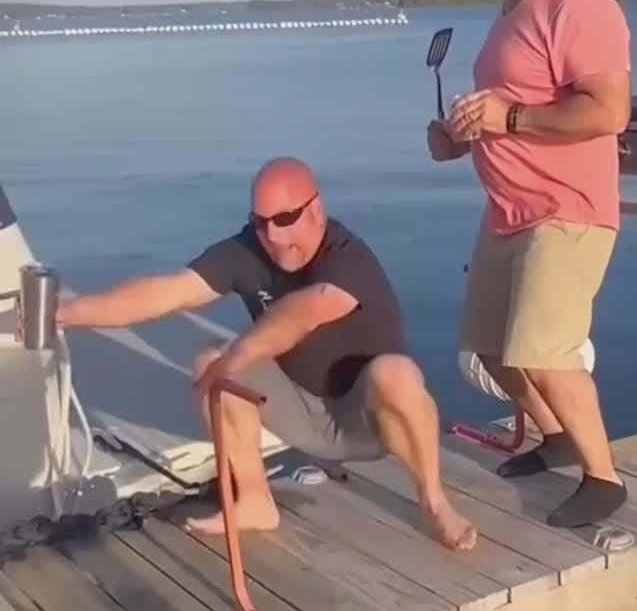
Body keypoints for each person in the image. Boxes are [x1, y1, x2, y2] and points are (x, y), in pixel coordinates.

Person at [57, 156, 477, 551]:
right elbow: (169, 292)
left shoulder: (347, 256)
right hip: (301, 411)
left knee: (395, 373)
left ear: (316, 210)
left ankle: (434, 502)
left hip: (371, 425)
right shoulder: (247, 250)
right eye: (261, 222)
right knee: (210, 361)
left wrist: (237, 355)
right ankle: (255, 501)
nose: (273, 236)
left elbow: (303, 312)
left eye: (285, 219)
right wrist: (67, 313)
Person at [427, 0, 632, 530]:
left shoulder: (579, 4)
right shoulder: (514, 9)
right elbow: (508, 108)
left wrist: (509, 116)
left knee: (545, 352)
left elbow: (609, 111)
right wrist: (462, 137)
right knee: (489, 349)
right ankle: (556, 436)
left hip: (566, 210)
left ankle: (604, 479)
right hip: (507, 212)